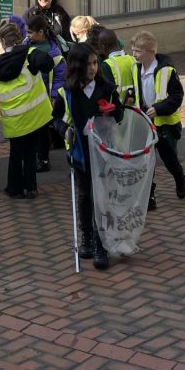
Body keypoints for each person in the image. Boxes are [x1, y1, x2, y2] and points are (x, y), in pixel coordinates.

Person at [53, 43, 123, 271]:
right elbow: (56, 119)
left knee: (101, 198)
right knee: (84, 195)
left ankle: (102, 245)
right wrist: (64, 130)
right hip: (80, 151)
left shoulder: (106, 88)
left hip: (103, 151)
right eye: (87, 64)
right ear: (76, 66)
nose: (92, 68)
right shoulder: (67, 93)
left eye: (95, 63)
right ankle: (87, 237)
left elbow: (120, 113)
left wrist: (112, 111)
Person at [0, 22, 55, 199]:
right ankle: (31, 188)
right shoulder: (31, 54)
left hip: (12, 118)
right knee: (31, 151)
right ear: (19, 37)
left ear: (3, 42)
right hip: (33, 115)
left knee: (16, 153)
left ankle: (14, 188)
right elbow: (49, 64)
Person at [131, 31, 185, 211]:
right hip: (145, 122)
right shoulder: (136, 69)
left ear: (151, 52)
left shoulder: (167, 71)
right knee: (147, 161)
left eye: (138, 51)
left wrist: (159, 108)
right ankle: (149, 195)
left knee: (169, 159)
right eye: (133, 50)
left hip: (165, 124)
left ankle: (179, 178)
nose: (134, 54)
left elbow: (177, 96)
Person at [26, 15, 66, 173]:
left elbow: (59, 77)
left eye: (30, 32)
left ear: (41, 32)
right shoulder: (26, 45)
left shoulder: (54, 53)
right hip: (30, 95)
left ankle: (43, 159)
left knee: (42, 129)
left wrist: (55, 96)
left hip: (45, 97)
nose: (27, 35)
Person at [94, 27, 136, 104]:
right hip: (136, 108)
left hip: (118, 108)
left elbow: (107, 93)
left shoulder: (106, 65)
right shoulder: (133, 59)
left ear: (103, 47)